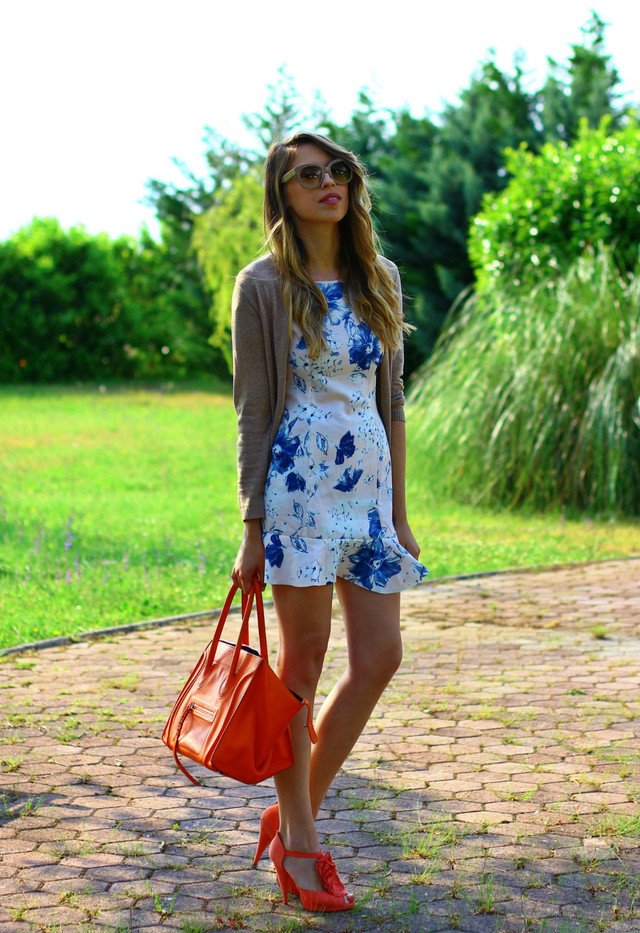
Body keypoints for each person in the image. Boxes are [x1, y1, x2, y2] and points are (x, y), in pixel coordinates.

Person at [231, 131, 429, 912]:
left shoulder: (379, 277)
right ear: (282, 194)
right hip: (297, 498)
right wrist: (252, 525)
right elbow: (252, 412)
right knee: (300, 671)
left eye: (338, 171)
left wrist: (400, 514)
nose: (328, 184)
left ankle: (291, 811)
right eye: (308, 175)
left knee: (380, 656)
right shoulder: (263, 284)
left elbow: (393, 403)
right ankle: (304, 849)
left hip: (369, 497)